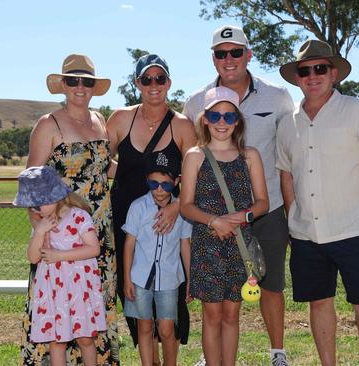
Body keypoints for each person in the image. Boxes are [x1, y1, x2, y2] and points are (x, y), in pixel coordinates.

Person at [275, 40, 359, 366]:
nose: (313, 76)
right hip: (307, 237)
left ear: (333, 73)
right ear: (297, 78)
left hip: (356, 232)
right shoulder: (287, 122)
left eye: (320, 68)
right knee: (319, 305)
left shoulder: (357, 110)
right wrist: (293, 219)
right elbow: (286, 175)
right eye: (305, 71)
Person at [182, 25, 295, 366]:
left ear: (248, 54)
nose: (228, 59)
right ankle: (211, 354)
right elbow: (192, 159)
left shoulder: (277, 96)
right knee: (217, 304)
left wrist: (289, 210)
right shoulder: (195, 102)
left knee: (271, 284)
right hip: (212, 223)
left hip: (267, 208)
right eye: (221, 53)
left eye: (235, 52)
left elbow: (291, 151)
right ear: (213, 58)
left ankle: (277, 351)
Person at [23, 54, 119, 365]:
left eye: (87, 81)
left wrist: (152, 171)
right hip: (62, 233)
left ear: (94, 87)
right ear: (63, 85)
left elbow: (104, 168)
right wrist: (41, 229)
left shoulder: (99, 120)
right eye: (73, 80)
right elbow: (31, 183)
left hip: (99, 232)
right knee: (58, 309)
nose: (80, 87)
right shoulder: (48, 124)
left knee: (93, 307)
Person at [106, 54, 196, 360]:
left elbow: (196, 173)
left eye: (160, 78)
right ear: (137, 84)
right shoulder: (120, 119)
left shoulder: (182, 126)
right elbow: (99, 162)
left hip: (170, 226)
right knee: (136, 299)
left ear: (169, 83)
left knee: (170, 309)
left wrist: (177, 207)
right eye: (147, 79)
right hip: (127, 225)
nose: (153, 85)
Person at [180, 86, 269, 366]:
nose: (222, 122)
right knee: (212, 315)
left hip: (240, 245)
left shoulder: (250, 156)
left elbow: (263, 202)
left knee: (232, 315)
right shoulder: (195, 156)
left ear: (238, 121)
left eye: (229, 117)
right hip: (207, 246)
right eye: (215, 116)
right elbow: (185, 205)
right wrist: (214, 221)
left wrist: (241, 219)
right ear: (204, 119)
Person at [14, 166, 107, 366]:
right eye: (31, 207)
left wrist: (60, 256)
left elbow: (93, 249)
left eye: (37, 205)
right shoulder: (42, 223)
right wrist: (39, 232)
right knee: (57, 341)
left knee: (85, 338)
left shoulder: (78, 217)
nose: (34, 210)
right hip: (54, 290)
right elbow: (32, 258)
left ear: (54, 197)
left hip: (78, 288)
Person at [122, 151, 192, 366]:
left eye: (166, 184)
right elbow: (129, 244)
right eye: (153, 184)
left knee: (167, 328)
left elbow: (185, 245)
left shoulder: (183, 211)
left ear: (177, 181)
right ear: (147, 181)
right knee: (144, 326)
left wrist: (190, 280)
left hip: (170, 279)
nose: (160, 190)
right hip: (140, 278)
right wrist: (126, 279)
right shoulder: (137, 207)